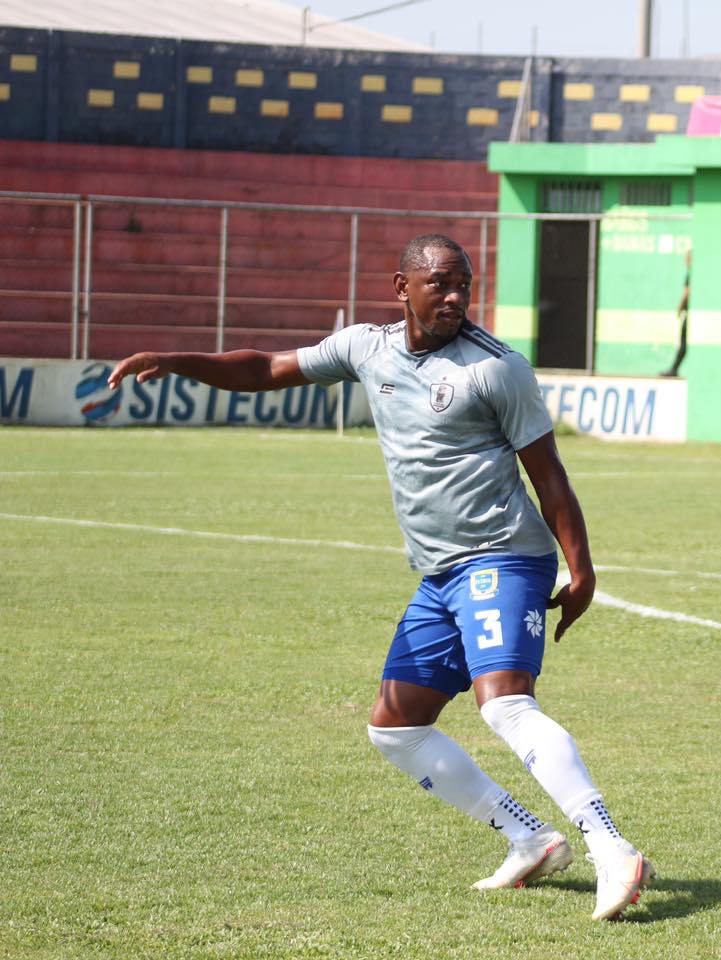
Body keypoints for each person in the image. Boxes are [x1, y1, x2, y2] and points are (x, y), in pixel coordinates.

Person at [104, 234, 655, 920]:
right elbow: (271, 368)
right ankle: (529, 837)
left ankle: (609, 847)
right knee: (395, 728)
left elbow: (550, 477)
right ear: (402, 287)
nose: (455, 298)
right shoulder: (367, 346)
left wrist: (582, 570)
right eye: (440, 285)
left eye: (464, 285)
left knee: (505, 704)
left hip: (503, 555)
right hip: (441, 573)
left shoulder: (496, 369)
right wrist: (177, 360)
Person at [660, 249, 691, 377]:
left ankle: (674, 369)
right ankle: (674, 368)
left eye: (687, 259)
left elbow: (687, 292)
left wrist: (680, 308)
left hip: (689, 316)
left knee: (683, 342)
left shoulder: (691, 274)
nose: (686, 261)